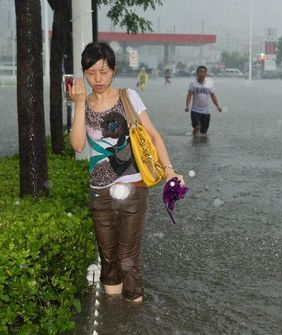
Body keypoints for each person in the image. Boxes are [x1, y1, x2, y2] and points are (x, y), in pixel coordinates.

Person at [69, 42, 185, 303]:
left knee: (128, 258)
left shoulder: (128, 97)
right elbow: (77, 145)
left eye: (104, 71)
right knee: (108, 257)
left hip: (133, 187)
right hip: (99, 192)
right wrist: (78, 105)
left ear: (114, 71)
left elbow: (153, 135)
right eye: (91, 72)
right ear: (83, 72)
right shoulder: (83, 104)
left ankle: (133, 306)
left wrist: (169, 171)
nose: (98, 79)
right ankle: (114, 314)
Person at [184, 65, 222, 136]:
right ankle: (194, 139)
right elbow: (189, 95)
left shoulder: (209, 84)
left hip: (206, 112)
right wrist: (187, 106)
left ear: (206, 73)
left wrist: (218, 106)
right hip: (195, 111)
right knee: (197, 126)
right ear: (197, 73)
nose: (202, 74)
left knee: (203, 134)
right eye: (200, 72)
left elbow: (213, 96)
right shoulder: (193, 83)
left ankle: (196, 139)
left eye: (203, 72)